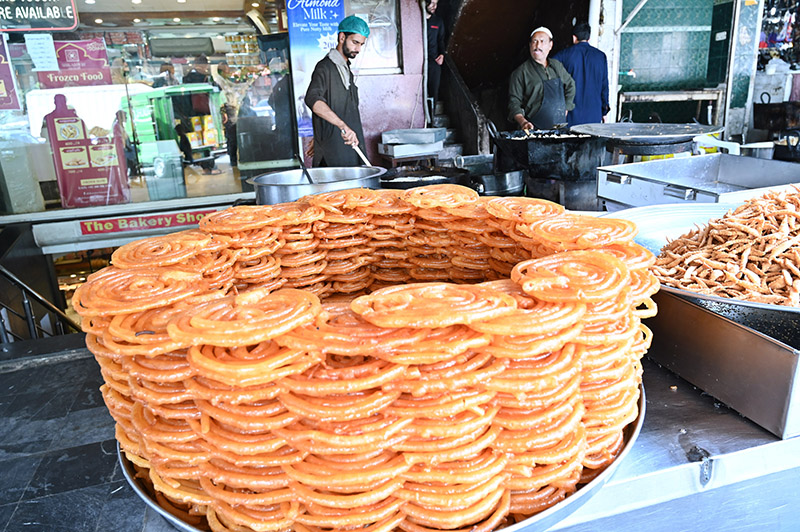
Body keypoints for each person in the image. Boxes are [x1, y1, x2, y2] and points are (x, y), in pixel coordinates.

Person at [304, 15, 369, 167]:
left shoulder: (346, 69)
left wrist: (320, 135)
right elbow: (313, 99)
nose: (358, 49)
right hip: (334, 157)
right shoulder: (325, 67)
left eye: (361, 44)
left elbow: (341, 107)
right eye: (355, 42)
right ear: (342, 37)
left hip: (350, 149)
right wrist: (342, 126)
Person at [508, 27, 576, 131]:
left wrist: (566, 107)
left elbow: (571, 85)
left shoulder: (557, 66)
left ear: (550, 45)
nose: (537, 46)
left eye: (542, 41)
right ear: (530, 45)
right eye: (534, 41)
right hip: (533, 130)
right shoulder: (520, 72)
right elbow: (514, 103)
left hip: (558, 130)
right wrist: (523, 122)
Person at [553, 22, 610, 126]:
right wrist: (604, 111)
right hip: (594, 115)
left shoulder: (563, 55)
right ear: (589, 37)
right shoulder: (601, 56)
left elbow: (549, 78)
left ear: (574, 38)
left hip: (570, 115)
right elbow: (604, 87)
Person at [425, 0, 446, 104]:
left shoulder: (438, 21)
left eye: (436, 3)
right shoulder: (416, 21)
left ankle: (431, 119)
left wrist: (442, 55)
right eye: (432, 3)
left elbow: (441, 40)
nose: (434, 6)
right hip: (417, 62)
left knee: (434, 92)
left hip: (433, 61)